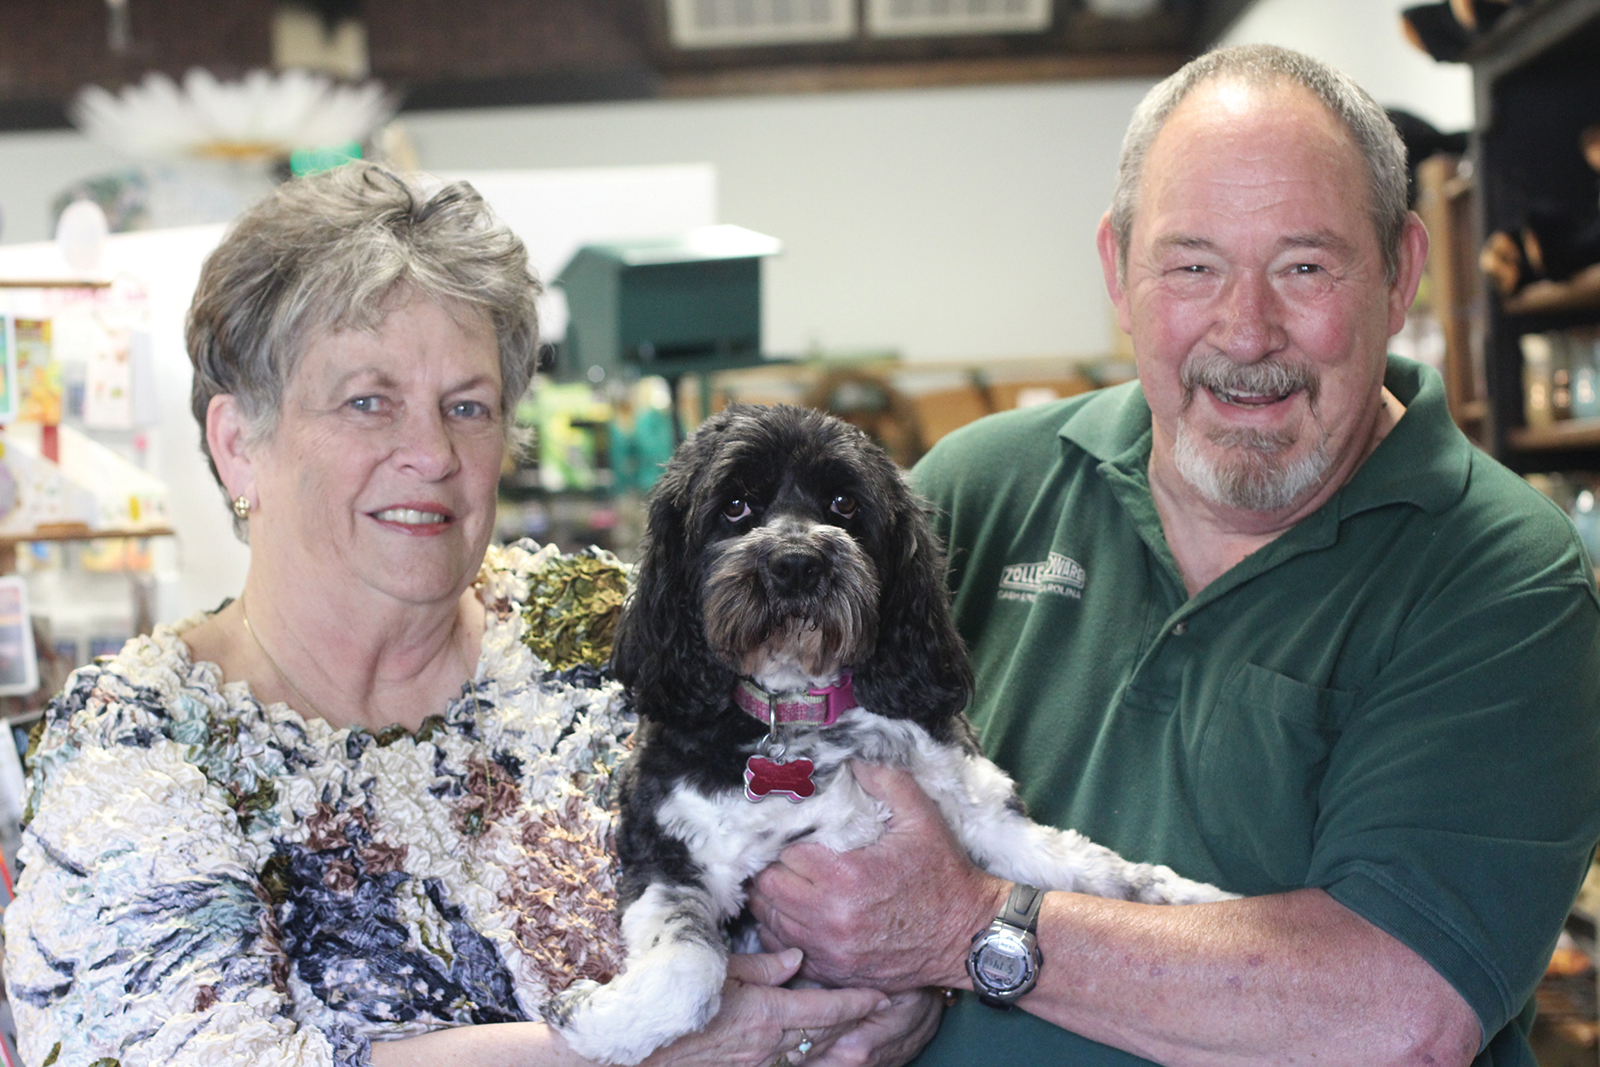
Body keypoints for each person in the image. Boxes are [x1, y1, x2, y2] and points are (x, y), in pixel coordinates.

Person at [748, 44, 1600, 1067]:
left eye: (1305, 266)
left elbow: (1396, 1010)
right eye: (1192, 264)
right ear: (1117, 269)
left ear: (1400, 270)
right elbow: (769, 763)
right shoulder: (977, 488)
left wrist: (966, 925)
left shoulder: (1504, 575)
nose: (1245, 332)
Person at [1, 163, 932, 1067]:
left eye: (467, 406)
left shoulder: (608, 630)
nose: (432, 452)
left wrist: (894, 1002)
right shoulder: (142, 741)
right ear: (239, 444)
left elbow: (884, 864)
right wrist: (634, 1055)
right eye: (368, 401)